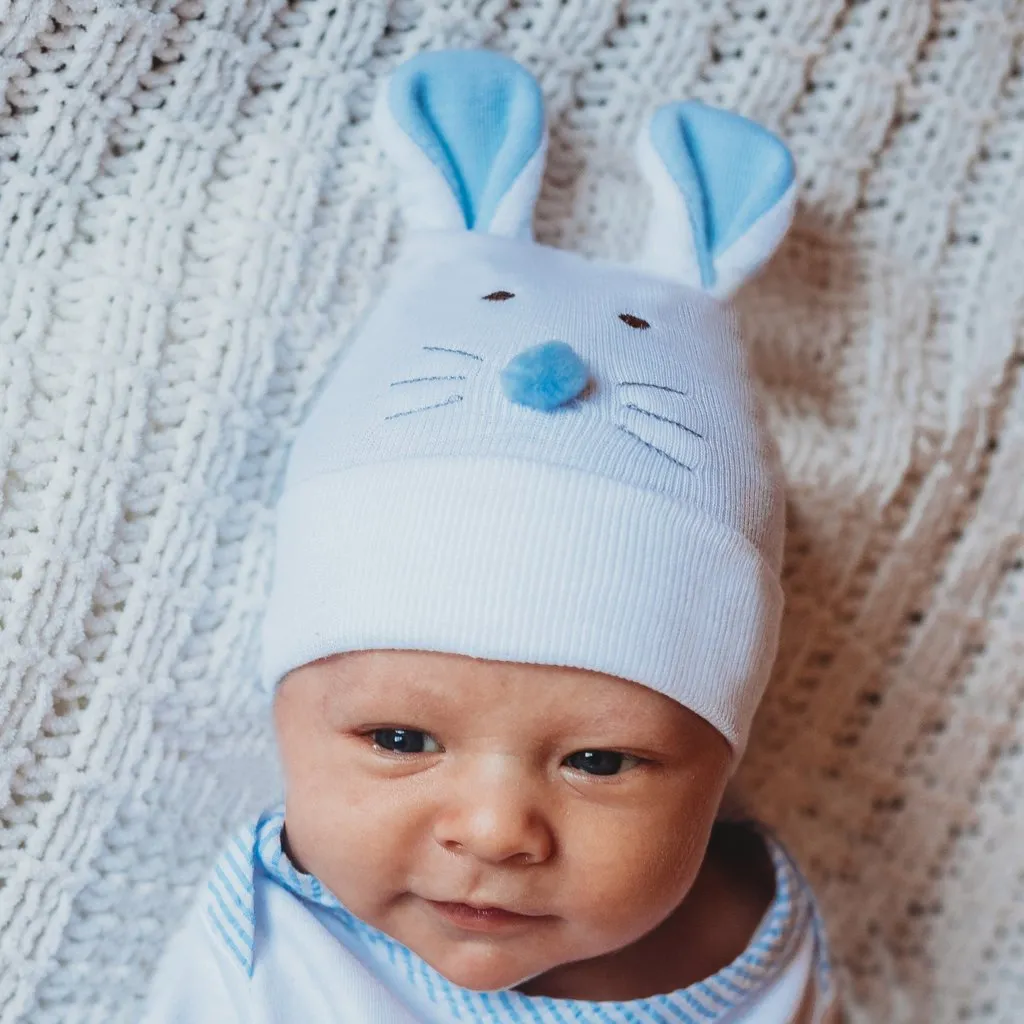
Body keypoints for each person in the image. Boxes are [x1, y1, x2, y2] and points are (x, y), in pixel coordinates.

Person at [143, 47, 838, 1023]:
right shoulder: (269, 951)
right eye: (398, 738)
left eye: (597, 761)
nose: (494, 829)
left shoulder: (760, 952)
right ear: (286, 715)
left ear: (723, 751)